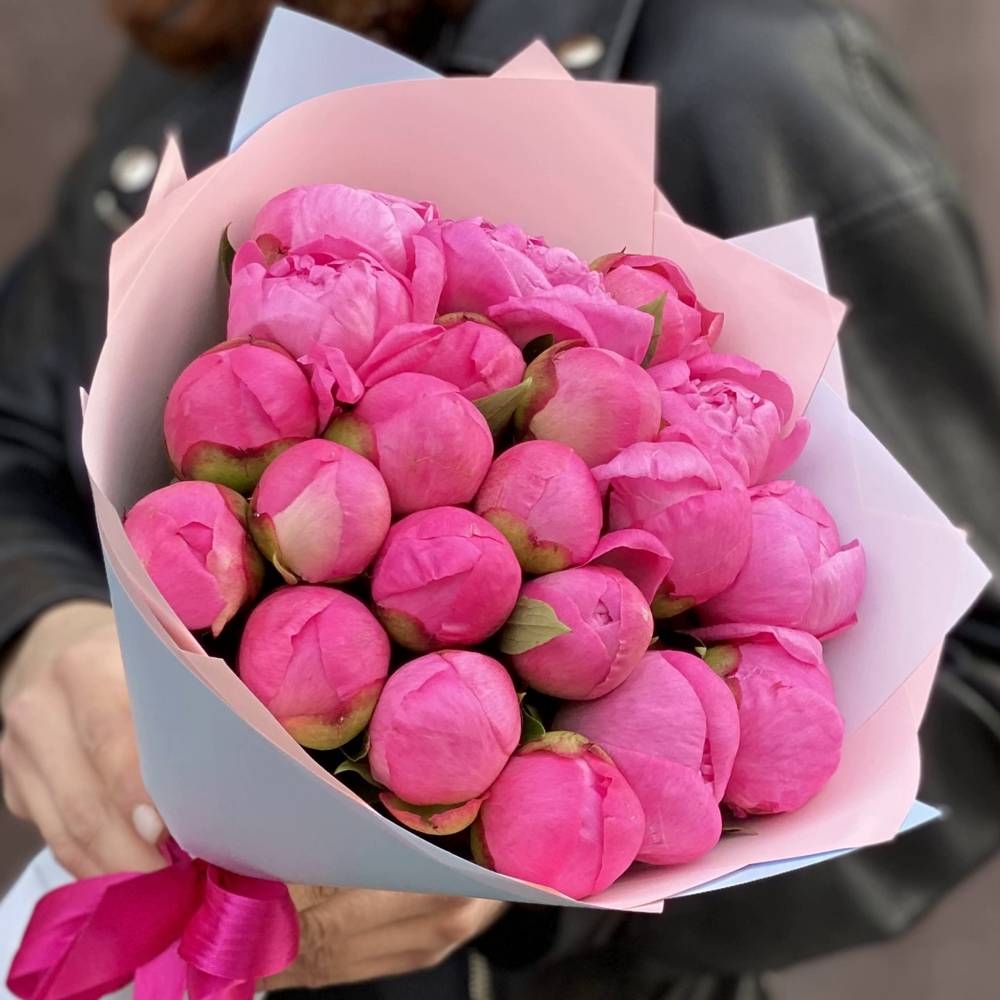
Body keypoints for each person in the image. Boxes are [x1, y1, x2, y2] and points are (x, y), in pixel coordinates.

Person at [2, 1, 999, 997]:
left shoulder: (748, 75)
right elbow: (21, 435)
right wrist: (46, 626)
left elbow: (977, 682)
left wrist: (532, 888)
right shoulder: (206, 33)